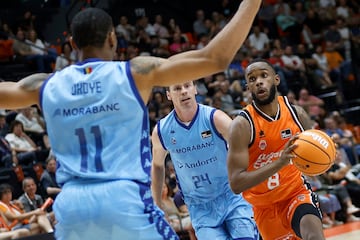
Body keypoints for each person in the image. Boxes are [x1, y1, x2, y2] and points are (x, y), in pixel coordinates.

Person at [0, 2, 261, 239]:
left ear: (72, 42)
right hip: (123, 198)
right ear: (113, 38)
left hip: (72, 206)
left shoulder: (45, 85)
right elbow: (215, 58)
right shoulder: (134, 73)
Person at [227, 59, 325, 240]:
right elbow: (236, 183)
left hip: (295, 193)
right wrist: (279, 162)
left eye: (264, 75)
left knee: (315, 236)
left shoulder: (297, 114)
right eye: (252, 79)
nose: (258, 81)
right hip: (263, 207)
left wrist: (327, 151)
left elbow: (315, 154)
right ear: (248, 86)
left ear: (276, 79)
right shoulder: (242, 125)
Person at [151, 81, 258, 239]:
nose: (184, 91)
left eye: (187, 86)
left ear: (195, 89)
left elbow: (247, 147)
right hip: (199, 207)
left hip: (232, 196)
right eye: (177, 88)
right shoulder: (162, 131)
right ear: (168, 95)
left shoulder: (216, 118)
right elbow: (157, 166)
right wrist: (157, 205)